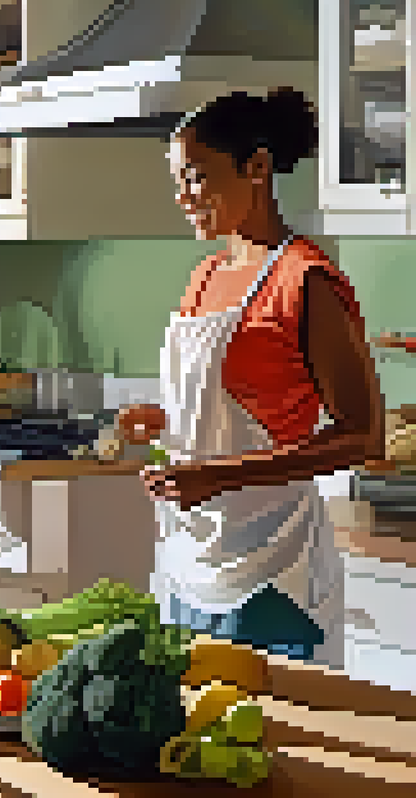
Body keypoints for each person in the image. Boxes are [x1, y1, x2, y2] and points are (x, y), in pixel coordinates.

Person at [117, 87, 385, 667]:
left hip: (274, 565)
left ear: (257, 168)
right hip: (189, 556)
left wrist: (218, 477)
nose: (185, 197)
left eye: (197, 176)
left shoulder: (306, 280)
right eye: (179, 181)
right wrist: (159, 421)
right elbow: (219, 406)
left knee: (270, 741)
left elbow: (363, 435)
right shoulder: (205, 275)